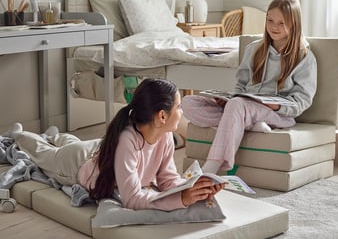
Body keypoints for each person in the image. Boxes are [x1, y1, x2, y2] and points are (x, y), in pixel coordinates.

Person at [12, 78, 224, 211]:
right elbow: (132, 199)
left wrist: (194, 189)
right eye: (178, 107)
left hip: (96, 150)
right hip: (78, 166)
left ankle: (56, 135)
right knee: (43, 153)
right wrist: (182, 200)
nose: (182, 112)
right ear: (161, 116)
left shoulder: (165, 137)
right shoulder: (127, 140)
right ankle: (20, 134)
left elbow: (168, 181)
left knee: (70, 143)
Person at [181, 0, 317, 174]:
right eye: (270, 20)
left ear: (294, 24)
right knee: (188, 103)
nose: (274, 27)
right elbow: (241, 86)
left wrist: (275, 105)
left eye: (281, 23)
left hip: (278, 114)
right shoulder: (254, 49)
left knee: (237, 106)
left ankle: (212, 166)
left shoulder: (304, 57)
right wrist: (228, 99)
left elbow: (302, 101)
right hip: (245, 106)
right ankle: (249, 123)